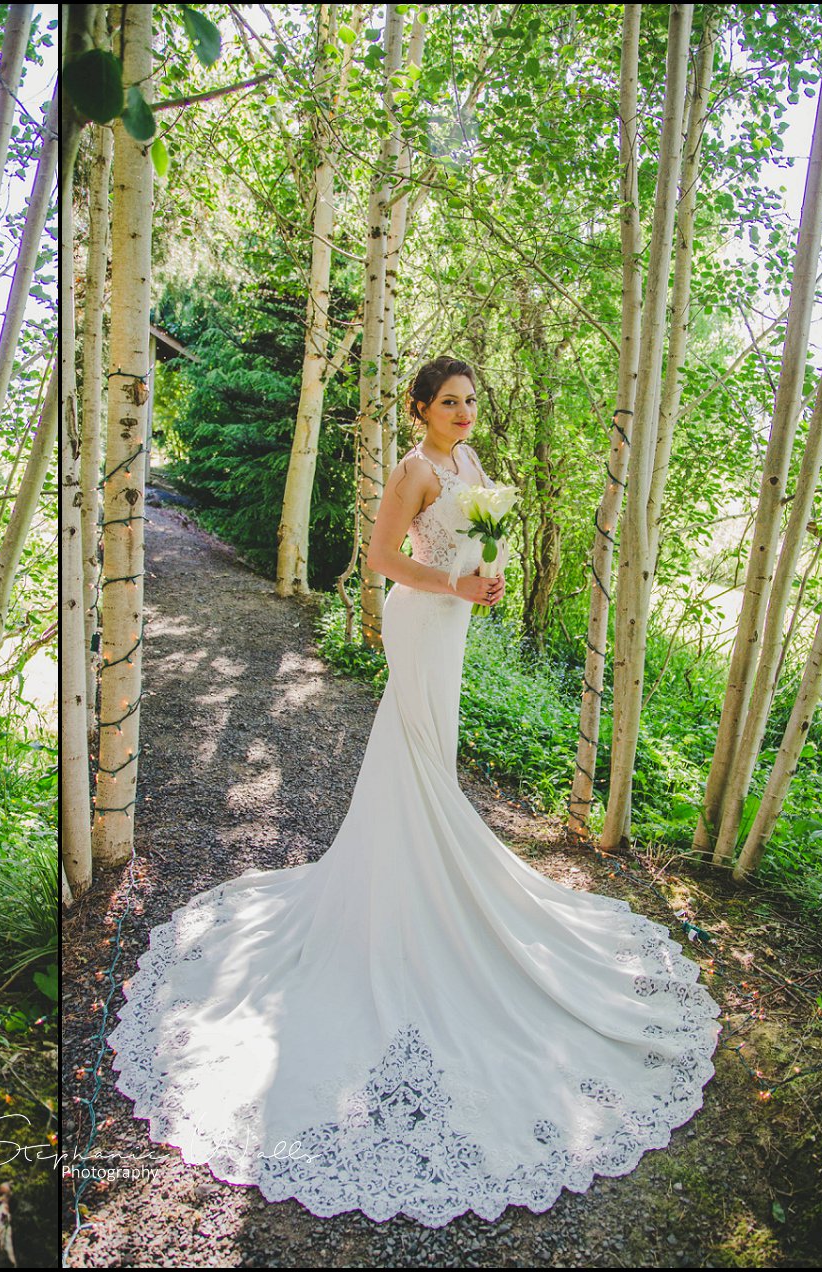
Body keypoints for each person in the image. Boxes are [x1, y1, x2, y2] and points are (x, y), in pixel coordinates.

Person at [107, 356, 721, 1226]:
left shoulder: (469, 467)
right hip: (419, 616)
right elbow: (385, 558)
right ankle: (413, 887)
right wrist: (454, 582)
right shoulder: (412, 467)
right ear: (419, 409)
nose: (463, 414)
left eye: (471, 402)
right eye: (449, 403)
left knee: (434, 747)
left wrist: (487, 580)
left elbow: (469, 546)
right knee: (417, 747)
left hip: (454, 621)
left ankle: (427, 872)